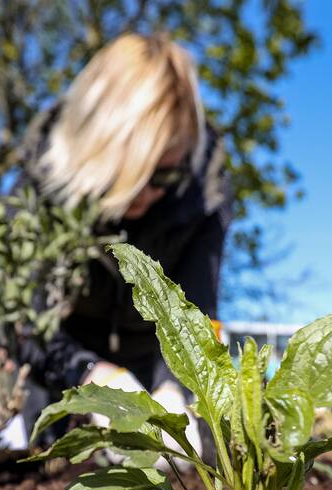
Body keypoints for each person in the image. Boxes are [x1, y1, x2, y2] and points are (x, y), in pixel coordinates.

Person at [16, 33, 231, 452]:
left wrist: (174, 392)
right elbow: (24, 317)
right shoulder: (44, 177)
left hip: (150, 361)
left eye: (164, 176)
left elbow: (196, 312)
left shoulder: (206, 188)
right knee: (53, 472)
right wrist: (94, 377)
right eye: (126, 175)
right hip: (60, 368)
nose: (144, 195)